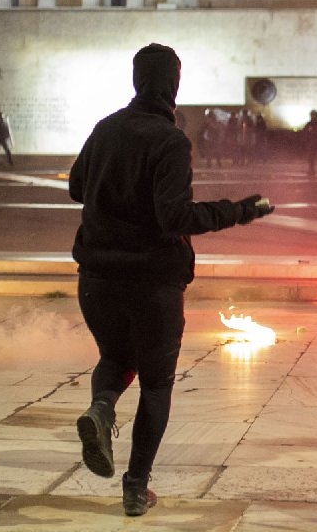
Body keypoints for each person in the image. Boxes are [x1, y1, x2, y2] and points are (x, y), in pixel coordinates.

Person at [68, 43, 275, 517]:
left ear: (135, 80)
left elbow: (77, 187)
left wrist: (112, 190)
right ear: (174, 85)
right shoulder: (170, 141)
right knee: (156, 384)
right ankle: (135, 487)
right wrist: (238, 211)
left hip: (97, 277)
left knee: (115, 357)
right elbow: (175, 217)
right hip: (151, 281)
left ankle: (101, 409)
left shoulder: (105, 128)